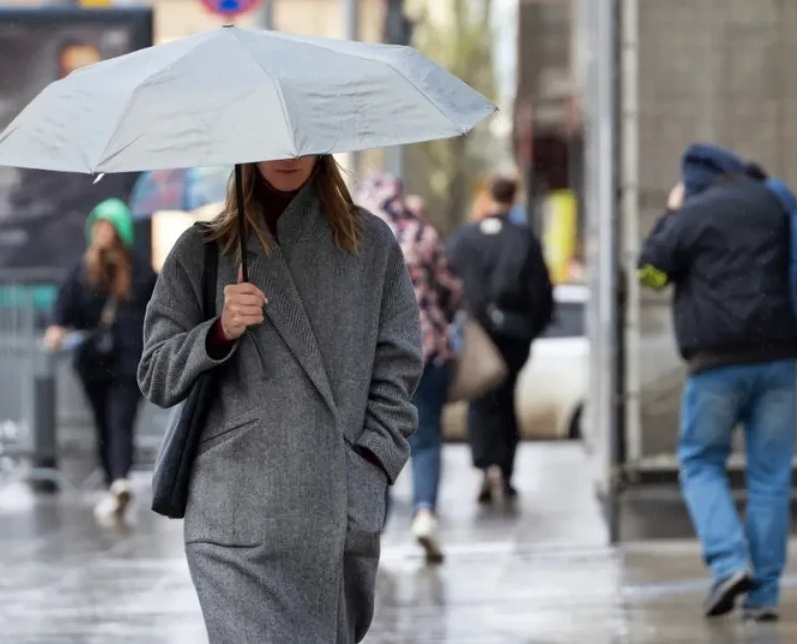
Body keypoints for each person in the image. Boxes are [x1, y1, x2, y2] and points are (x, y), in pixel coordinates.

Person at [137, 155, 423, 642]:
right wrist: (218, 332)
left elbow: (399, 365)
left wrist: (371, 462)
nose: (288, 156)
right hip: (232, 520)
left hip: (333, 512)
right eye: (271, 142)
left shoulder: (371, 245)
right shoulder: (202, 250)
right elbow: (155, 375)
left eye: (302, 141)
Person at [636, 144, 797, 622]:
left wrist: (670, 215)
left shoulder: (693, 213)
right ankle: (764, 595)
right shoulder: (773, 201)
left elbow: (649, 274)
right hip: (780, 359)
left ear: (692, 180)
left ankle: (730, 562)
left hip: (717, 364)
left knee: (700, 462)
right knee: (770, 477)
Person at [360, 174, 464, 564]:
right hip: (427, 352)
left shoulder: (358, 238)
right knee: (427, 437)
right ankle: (424, 513)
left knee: (375, 437)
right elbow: (452, 289)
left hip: (374, 357)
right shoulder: (422, 234)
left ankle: (375, 525)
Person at [44, 198, 157, 523]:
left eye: (109, 226)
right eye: (99, 226)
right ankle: (114, 485)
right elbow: (63, 306)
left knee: (120, 421)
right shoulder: (82, 270)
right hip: (93, 362)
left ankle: (120, 479)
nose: (103, 233)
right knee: (102, 425)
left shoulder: (138, 270)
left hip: (129, 361)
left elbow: (158, 307)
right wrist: (56, 328)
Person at [448, 176, 554, 504]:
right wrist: (531, 329)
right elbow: (541, 293)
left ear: (486, 197)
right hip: (513, 337)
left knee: (480, 401)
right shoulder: (524, 238)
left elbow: (447, 282)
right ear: (514, 197)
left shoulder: (464, 239)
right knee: (507, 399)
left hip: (475, 335)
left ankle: (484, 466)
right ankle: (505, 470)